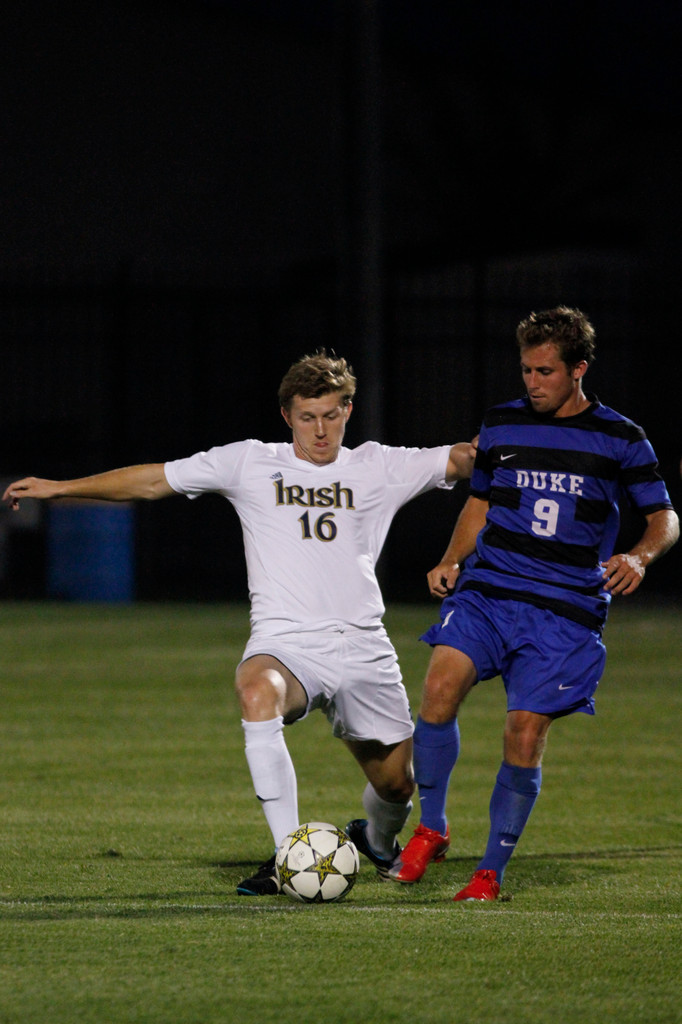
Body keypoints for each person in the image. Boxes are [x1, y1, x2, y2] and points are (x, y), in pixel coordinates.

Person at [3, 350, 477, 895]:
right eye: (307, 417)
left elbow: (462, 460)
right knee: (256, 691)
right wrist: (61, 488)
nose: (320, 430)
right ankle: (288, 855)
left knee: (396, 786)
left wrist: (505, 445)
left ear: (348, 410)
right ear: (287, 416)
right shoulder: (250, 462)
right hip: (287, 643)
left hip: (363, 646)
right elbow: (154, 481)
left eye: (330, 415)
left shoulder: (379, 465)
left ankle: (376, 837)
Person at [388, 307, 679, 900]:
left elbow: (665, 518)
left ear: (579, 369)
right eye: (526, 369)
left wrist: (640, 557)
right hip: (490, 592)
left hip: (564, 609)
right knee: (438, 690)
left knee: (523, 735)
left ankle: (490, 871)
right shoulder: (501, 423)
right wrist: (451, 559)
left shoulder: (621, 437)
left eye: (545, 371)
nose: (533, 382)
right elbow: (480, 504)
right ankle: (431, 828)